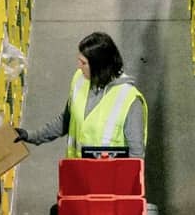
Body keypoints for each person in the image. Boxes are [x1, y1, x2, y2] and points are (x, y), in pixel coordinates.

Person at [15, 32, 146, 158]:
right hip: (78, 173)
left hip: (110, 178)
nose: (79, 67)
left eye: (83, 63)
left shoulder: (129, 100)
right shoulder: (80, 80)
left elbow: (136, 156)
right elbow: (66, 120)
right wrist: (31, 136)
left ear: (99, 66)